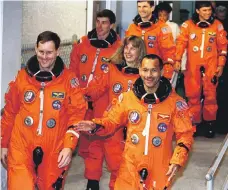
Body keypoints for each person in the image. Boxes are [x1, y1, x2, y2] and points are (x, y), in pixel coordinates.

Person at [76, 54, 194, 190]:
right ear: (139, 71)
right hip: (130, 164)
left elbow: (185, 135)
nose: (149, 75)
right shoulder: (128, 98)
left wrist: (177, 160)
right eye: (145, 70)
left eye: (154, 70)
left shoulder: (175, 103)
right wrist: (95, 125)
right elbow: (111, 122)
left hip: (160, 166)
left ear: (161, 72)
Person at [1, 31, 87, 190]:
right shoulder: (21, 78)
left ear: (57, 52)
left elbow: (76, 116)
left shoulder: (69, 81)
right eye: (41, 52)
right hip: (22, 143)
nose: (44, 57)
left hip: (55, 146)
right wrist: (4, 144)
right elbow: (9, 113)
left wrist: (68, 146)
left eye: (49, 52)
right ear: (35, 49)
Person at [83, 35, 146, 190]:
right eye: (126, 47)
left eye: (133, 48)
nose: (128, 51)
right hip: (115, 125)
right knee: (116, 164)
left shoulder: (146, 74)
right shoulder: (112, 68)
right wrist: (81, 94)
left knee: (137, 164)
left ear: (140, 51)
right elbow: (98, 88)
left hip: (137, 125)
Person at [69, 9, 121, 190]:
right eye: (98, 22)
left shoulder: (118, 48)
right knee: (88, 142)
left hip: (104, 101)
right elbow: (73, 69)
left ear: (112, 25)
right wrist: (76, 93)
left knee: (104, 140)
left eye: (104, 22)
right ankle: (92, 180)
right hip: (82, 99)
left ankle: (117, 182)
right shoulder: (83, 43)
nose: (100, 26)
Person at [175, 1, 228, 138]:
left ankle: (210, 124)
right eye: (204, 10)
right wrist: (177, 60)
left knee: (211, 96)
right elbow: (181, 44)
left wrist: (221, 65)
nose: (207, 13)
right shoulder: (188, 25)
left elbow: (223, 47)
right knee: (193, 96)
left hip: (211, 66)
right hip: (192, 67)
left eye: (209, 10)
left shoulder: (217, 25)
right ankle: (195, 123)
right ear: (198, 11)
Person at [125, 0, 176, 79]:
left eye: (145, 6)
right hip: (134, 72)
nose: (141, 9)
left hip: (153, 73)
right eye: (139, 7)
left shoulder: (162, 28)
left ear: (152, 8)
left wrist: (166, 75)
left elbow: (169, 53)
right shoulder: (132, 27)